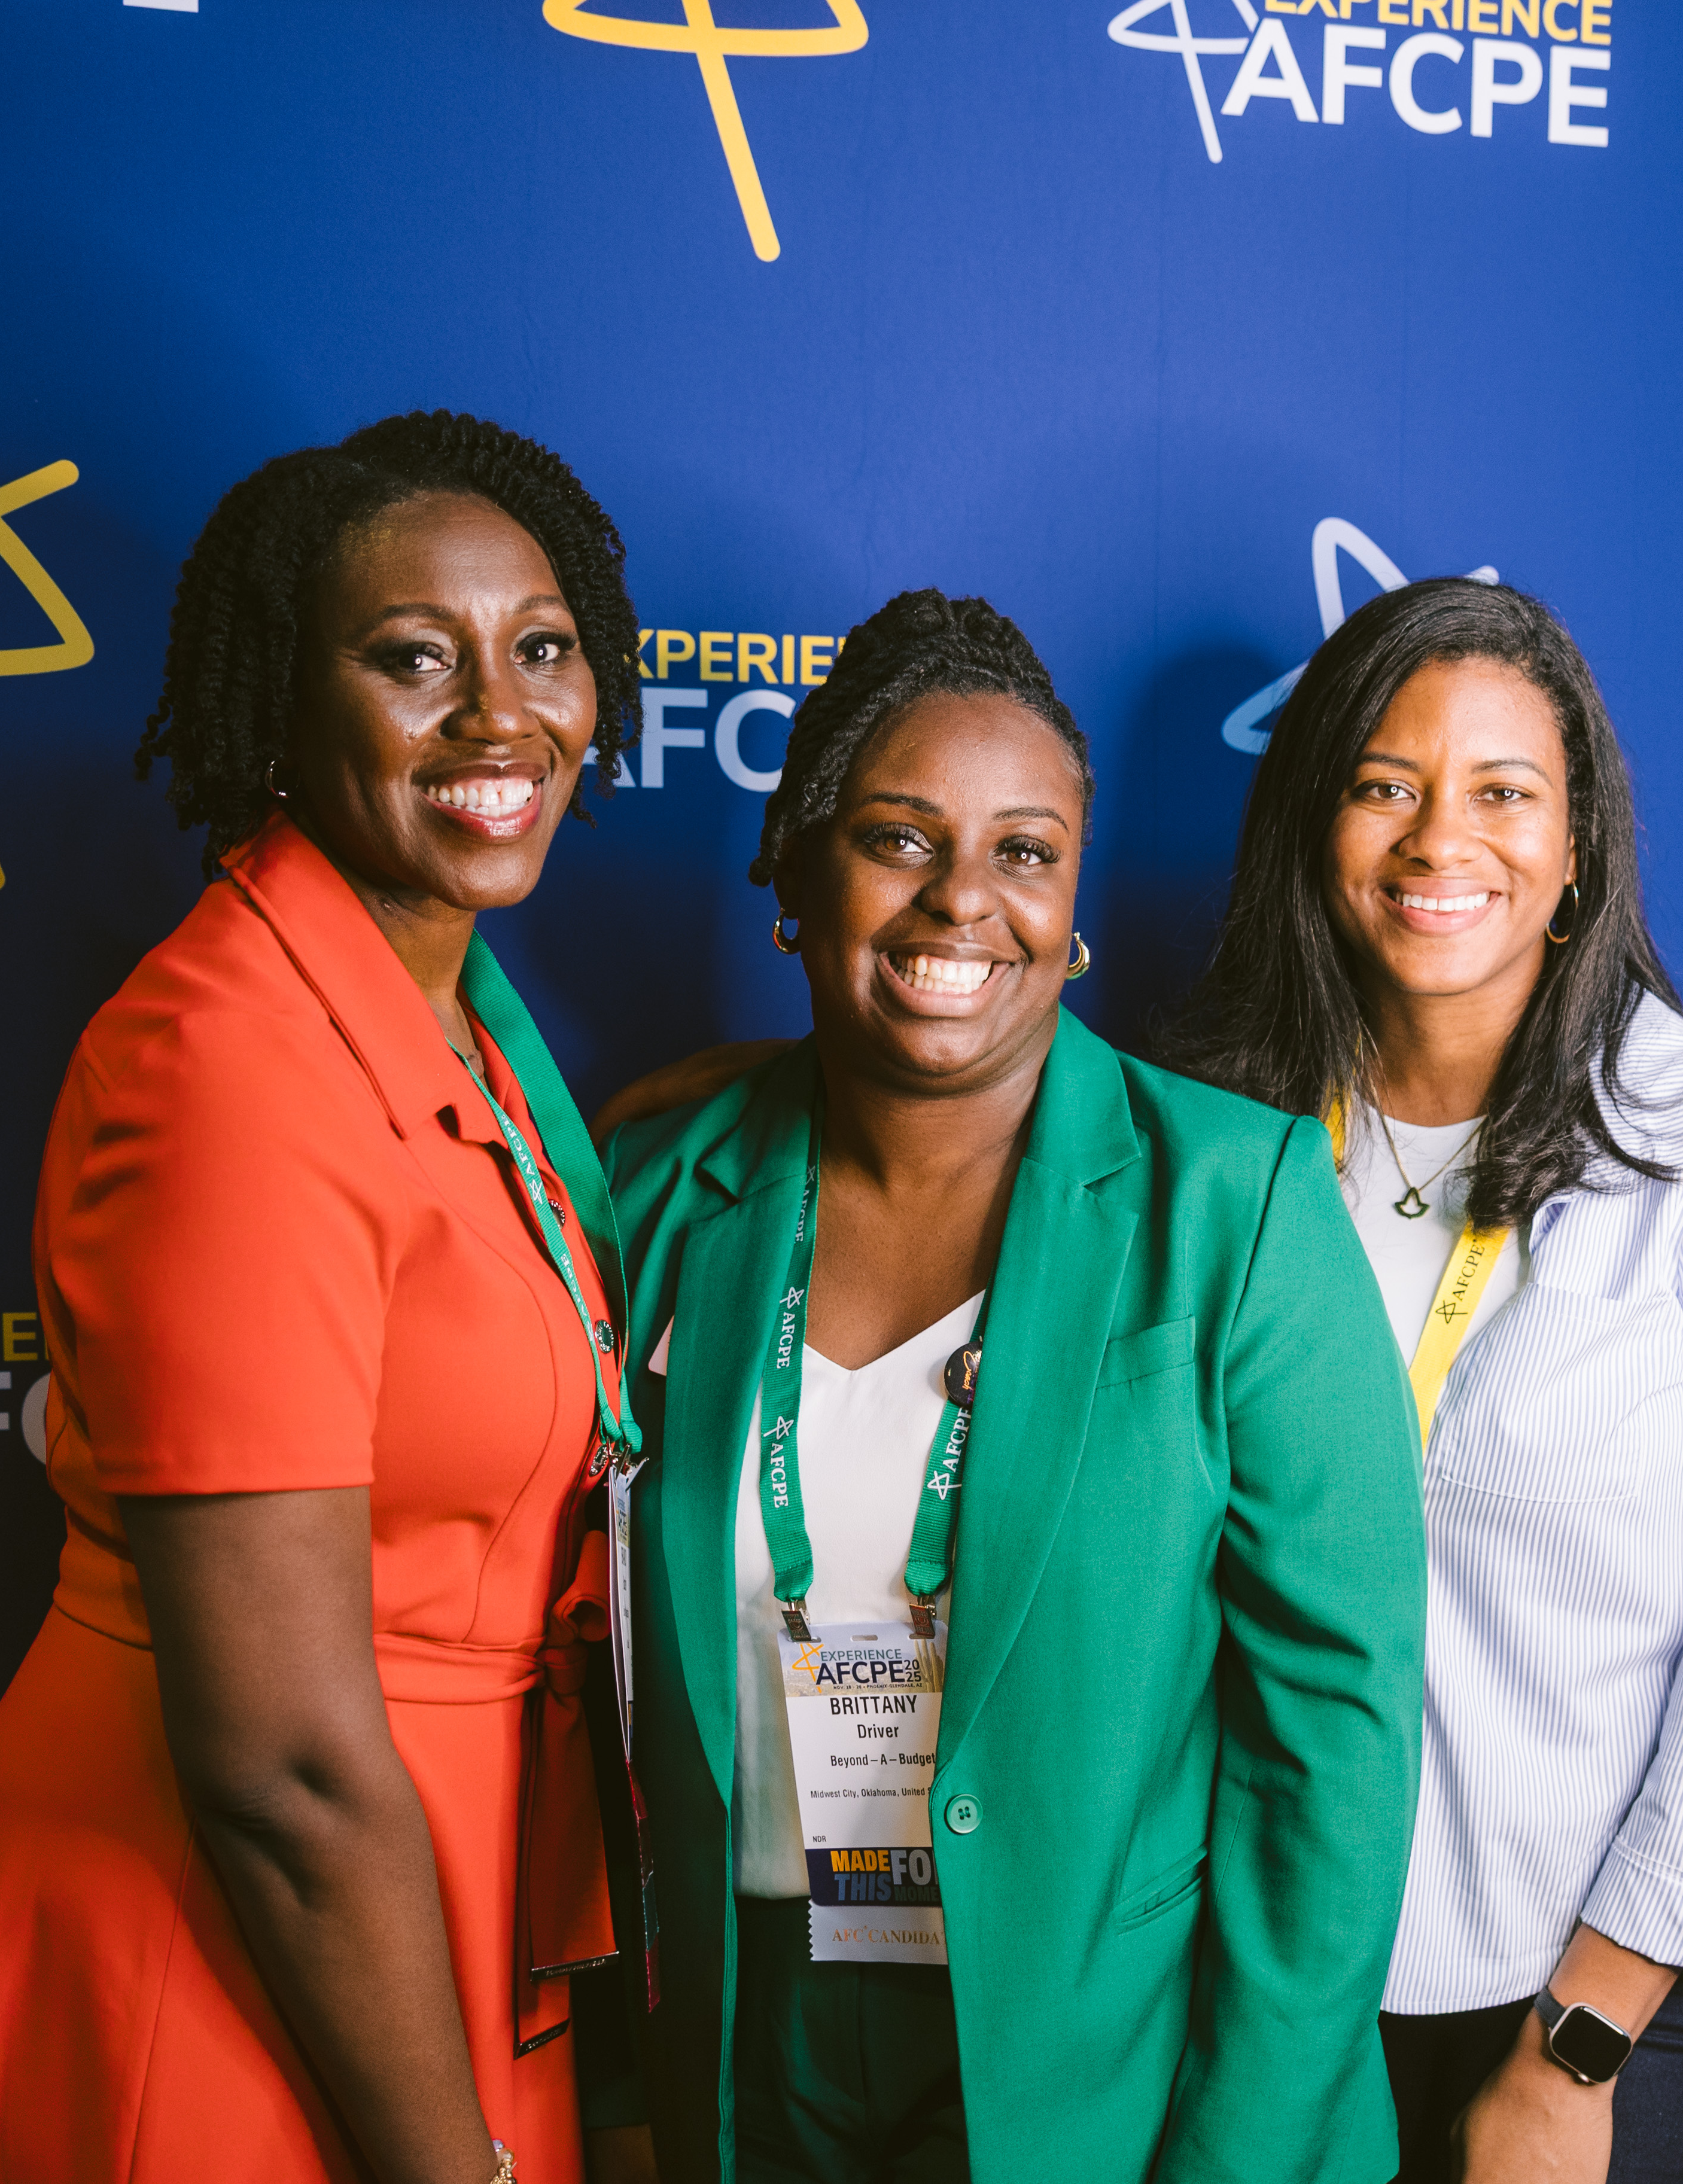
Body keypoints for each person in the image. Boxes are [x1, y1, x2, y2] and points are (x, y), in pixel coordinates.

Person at [0, 413, 653, 2184]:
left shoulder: (448, 1012)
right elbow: (283, 1763)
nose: (497, 715)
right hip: (234, 1938)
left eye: (540, 647)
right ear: (279, 713)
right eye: (409, 661)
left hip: (418, 1921)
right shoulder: (228, 1057)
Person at [602, 590, 1426, 2182]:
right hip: (738, 2038)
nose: (960, 902)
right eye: (900, 839)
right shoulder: (655, 1190)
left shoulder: (1233, 1204)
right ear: (794, 874)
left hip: (1104, 2059)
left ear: (1074, 910)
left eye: (1023, 852)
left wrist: (1235, 2157)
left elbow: (1332, 1743)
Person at [1162, 578, 1683, 2184]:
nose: (1438, 840)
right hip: (1275, 1986)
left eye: (1501, 792)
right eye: (1382, 785)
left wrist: (1576, 2041)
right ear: (1314, 827)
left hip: (1593, 1989)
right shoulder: (1217, 1145)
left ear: (1574, 851)